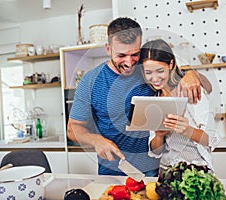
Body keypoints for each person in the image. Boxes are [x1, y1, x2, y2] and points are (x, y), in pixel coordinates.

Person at [67, 17, 205, 176]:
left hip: (156, 173)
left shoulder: (147, 71)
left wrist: (191, 75)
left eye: (135, 54)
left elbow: (197, 83)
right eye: (121, 55)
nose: (129, 62)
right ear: (108, 48)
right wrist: (94, 140)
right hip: (113, 174)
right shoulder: (90, 81)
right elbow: (73, 129)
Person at [139, 39, 219, 173]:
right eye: (148, 73)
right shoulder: (154, 100)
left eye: (160, 70)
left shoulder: (191, 91)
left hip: (198, 171)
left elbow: (210, 140)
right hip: (167, 171)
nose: (155, 78)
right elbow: (156, 152)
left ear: (170, 64)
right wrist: (159, 136)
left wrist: (186, 130)